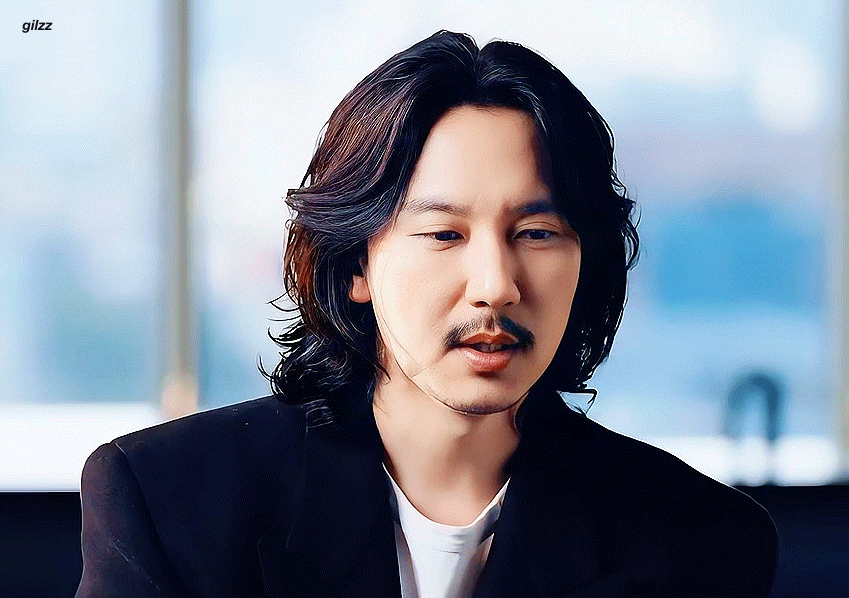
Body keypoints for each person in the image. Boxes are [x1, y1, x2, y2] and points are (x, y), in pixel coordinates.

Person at [75, 31, 777, 598]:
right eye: (444, 234)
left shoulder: (697, 540)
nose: (495, 286)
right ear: (356, 265)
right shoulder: (170, 501)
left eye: (536, 233)